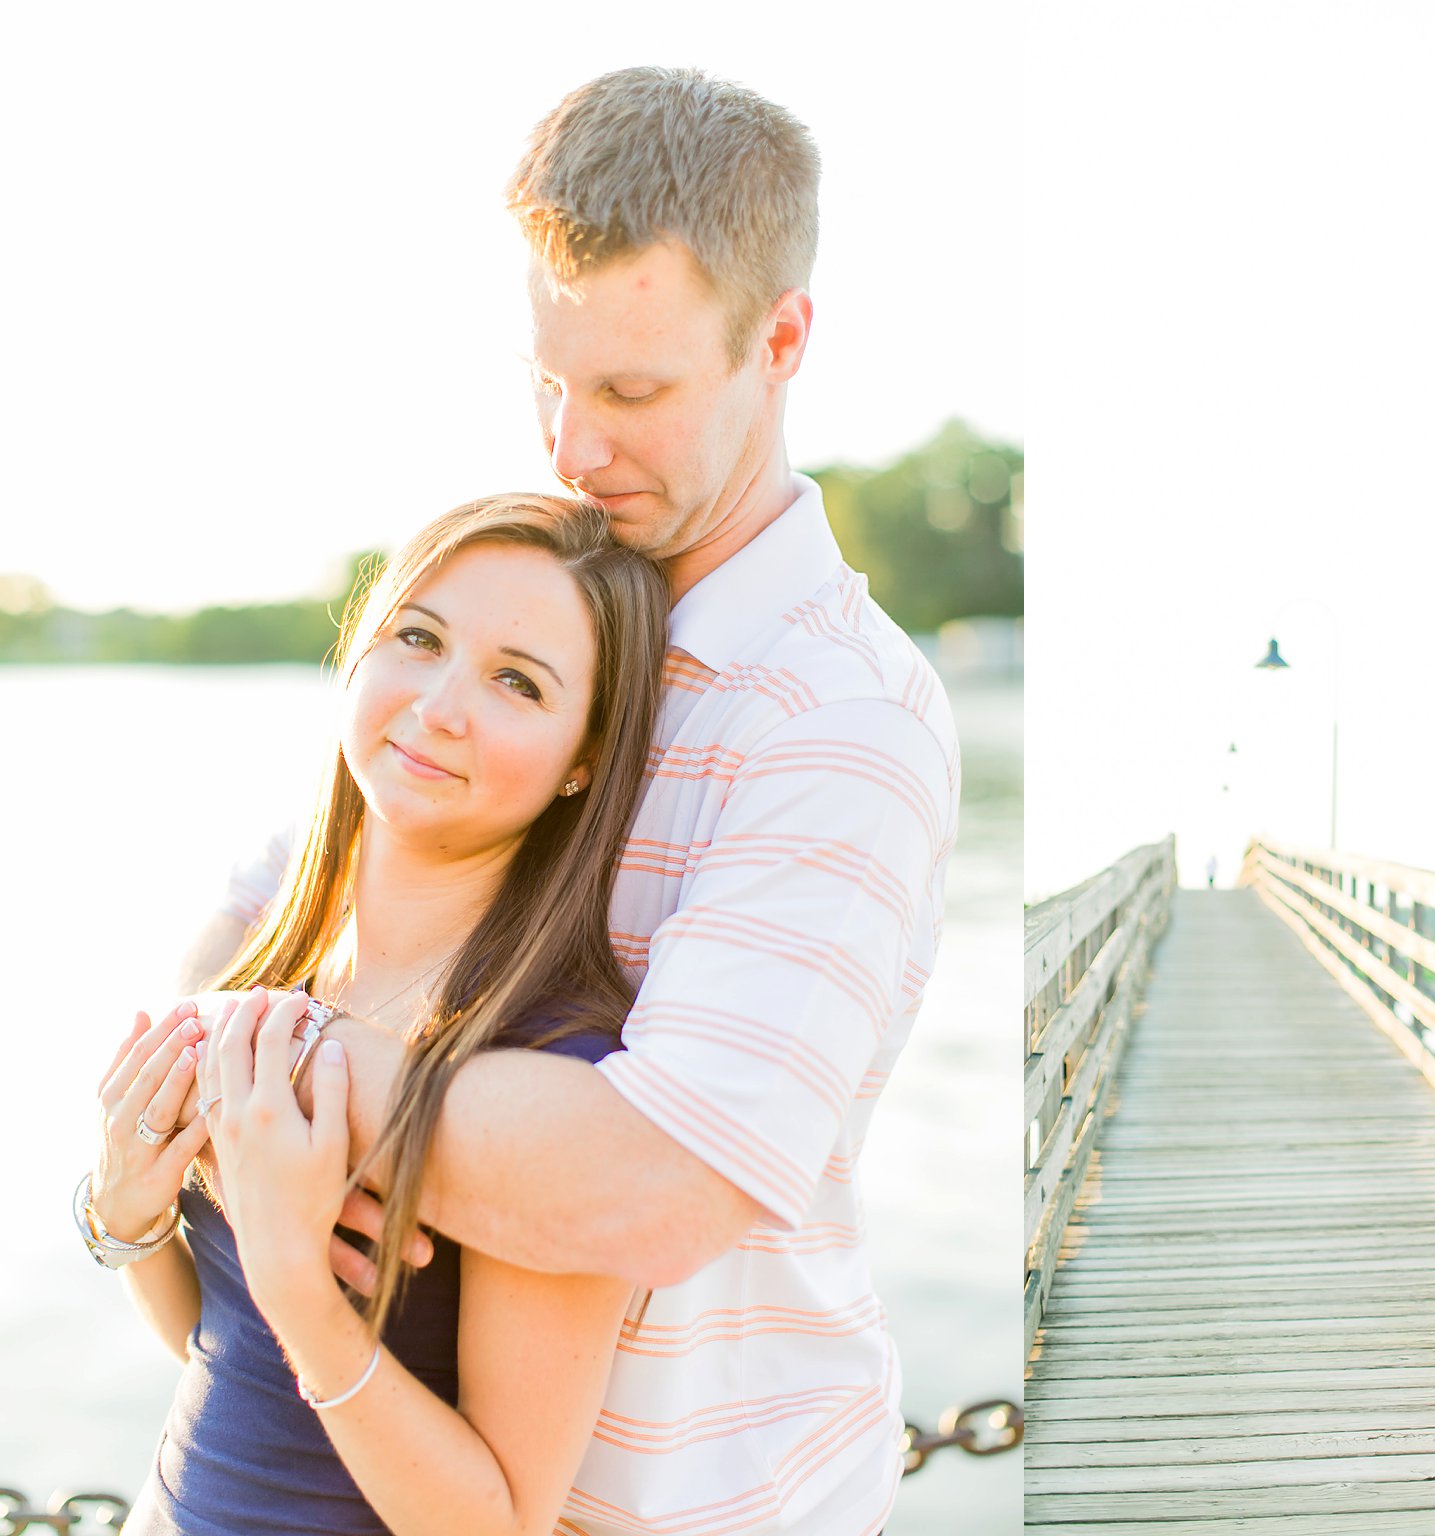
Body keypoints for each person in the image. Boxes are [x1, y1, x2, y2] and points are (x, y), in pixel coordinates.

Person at [175, 67, 959, 1535]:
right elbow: (259, 918)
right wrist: (181, 1114)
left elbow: (652, 1187)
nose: (572, 446)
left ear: (781, 340)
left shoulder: (842, 722)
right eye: (547, 378)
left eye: (632, 392)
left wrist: (249, 1072)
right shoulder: (528, 593)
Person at [86, 496, 671, 1533]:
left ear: (583, 758)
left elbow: (499, 1521)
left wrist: (301, 1290)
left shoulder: (552, 1066)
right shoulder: (277, 964)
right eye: (419, 637)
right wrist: (128, 1211)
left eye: (516, 682)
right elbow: (214, 1348)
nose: (441, 705)